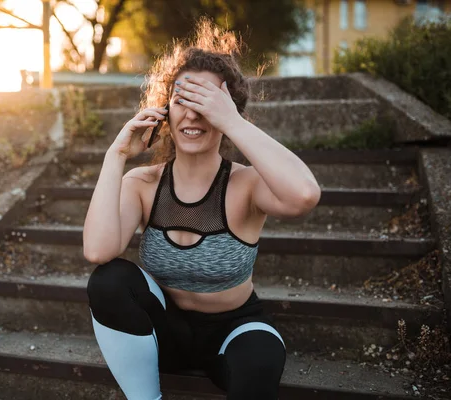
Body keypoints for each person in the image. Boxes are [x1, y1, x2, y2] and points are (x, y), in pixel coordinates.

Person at [83, 18, 321, 400]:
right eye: (182, 101)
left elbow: (304, 195)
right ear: (166, 112)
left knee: (263, 360)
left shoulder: (245, 184)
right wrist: (116, 156)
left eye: (206, 103)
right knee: (108, 279)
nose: (192, 114)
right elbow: (98, 251)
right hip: (165, 332)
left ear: (228, 113)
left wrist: (230, 119)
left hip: (235, 329)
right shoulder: (143, 184)